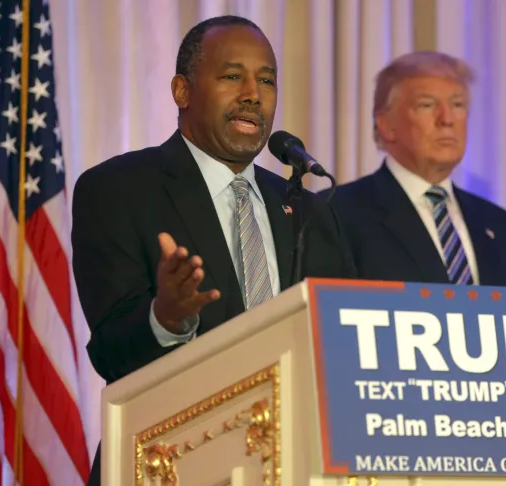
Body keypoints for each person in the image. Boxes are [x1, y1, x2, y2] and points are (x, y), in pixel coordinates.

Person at [71, 15, 355, 485]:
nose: (253, 93)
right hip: (172, 462)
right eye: (231, 76)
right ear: (182, 91)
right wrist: (167, 318)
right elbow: (110, 354)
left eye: (266, 80)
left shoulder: (305, 209)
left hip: (293, 461)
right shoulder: (118, 190)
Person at [322, 51, 506, 292]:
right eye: (427, 105)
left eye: (458, 105)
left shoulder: (501, 226)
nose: (447, 119)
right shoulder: (335, 213)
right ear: (386, 125)